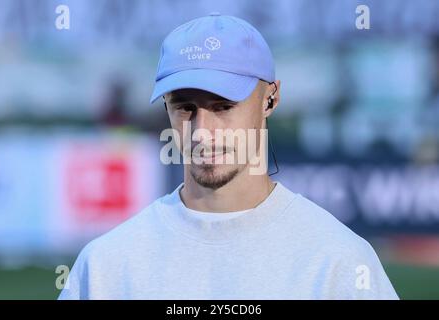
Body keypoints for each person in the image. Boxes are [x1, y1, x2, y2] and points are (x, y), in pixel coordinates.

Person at [59, 13, 398, 300]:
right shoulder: (105, 267)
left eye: (223, 106)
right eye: (185, 107)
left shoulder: (340, 263)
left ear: (271, 98)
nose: (202, 131)